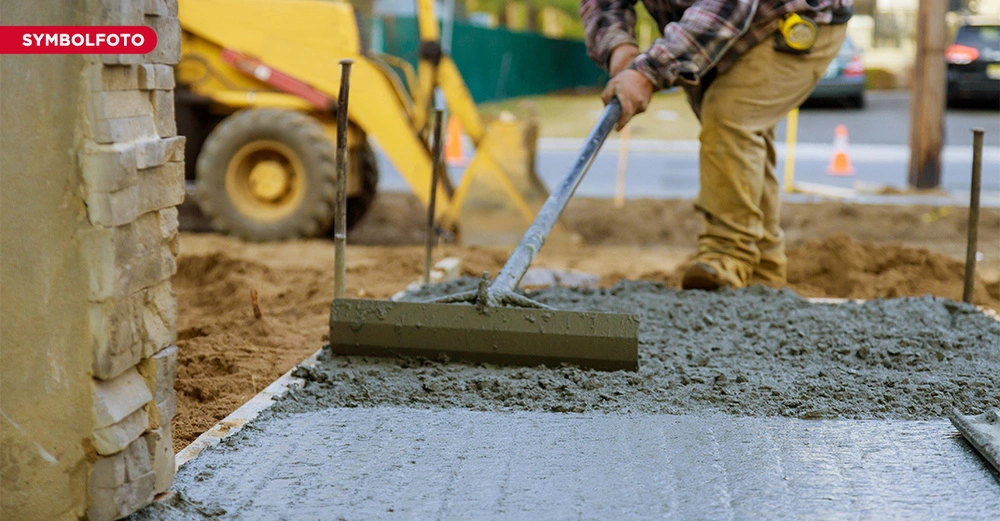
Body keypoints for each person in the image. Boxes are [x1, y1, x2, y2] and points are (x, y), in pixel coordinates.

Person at [582, 0, 853, 290]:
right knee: (737, 139)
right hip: (714, 28)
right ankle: (762, 276)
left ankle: (728, 255)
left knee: (730, 117)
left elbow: (728, 5)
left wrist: (648, 71)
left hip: (791, 16)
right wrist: (619, 49)